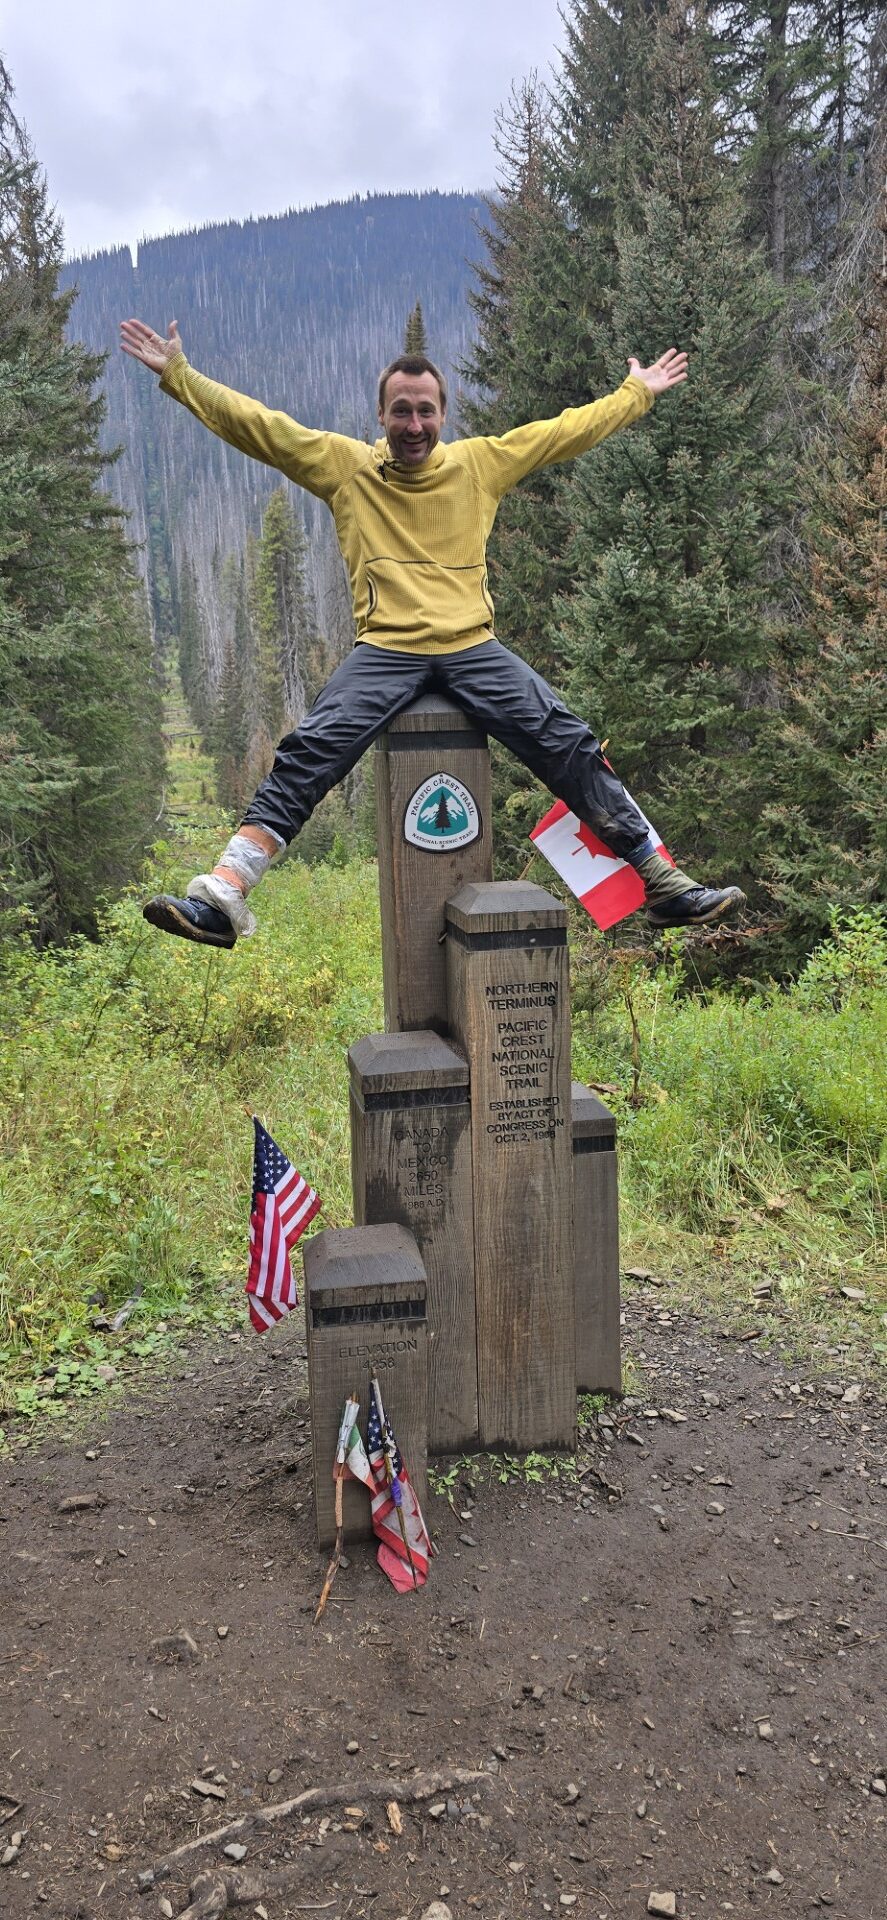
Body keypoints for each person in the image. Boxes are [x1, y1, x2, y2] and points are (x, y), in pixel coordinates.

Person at [119, 318, 744, 948]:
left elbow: (563, 433)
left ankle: (660, 880)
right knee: (312, 749)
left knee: (567, 741)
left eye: (425, 411)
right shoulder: (346, 467)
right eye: (400, 412)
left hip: (473, 646)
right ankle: (225, 892)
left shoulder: (479, 465)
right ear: (382, 415)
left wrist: (635, 393)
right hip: (385, 649)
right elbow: (258, 426)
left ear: (443, 415)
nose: (413, 425)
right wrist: (180, 375)